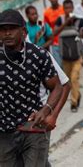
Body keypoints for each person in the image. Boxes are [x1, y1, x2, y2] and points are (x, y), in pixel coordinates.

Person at [0, 9, 62, 167]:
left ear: (24, 31)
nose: (7, 33)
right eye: (3, 30)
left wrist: (46, 111)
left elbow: (57, 87)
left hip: (33, 128)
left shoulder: (39, 55)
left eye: (12, 29)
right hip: (4, 132)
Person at [54, 0, 83, 111]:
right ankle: (77, 95)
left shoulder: (79, 20)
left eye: (70, 8)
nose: (68, 10)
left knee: (74, 79)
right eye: (66, 8)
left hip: (77, 57)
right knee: (68, 82)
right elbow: (55, 33)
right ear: (63, 9)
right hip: (65, 58)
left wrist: (82, 33)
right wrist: (65, 22)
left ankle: (73, 103)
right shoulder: (60, 20)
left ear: (73, 8)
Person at [43, 0, 65, 65]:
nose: (53, 0)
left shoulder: (64, 9)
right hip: (55, 43)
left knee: (67, 64)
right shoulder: (46, 13)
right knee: (59, 65)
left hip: (65, 40)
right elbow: (46, 28)